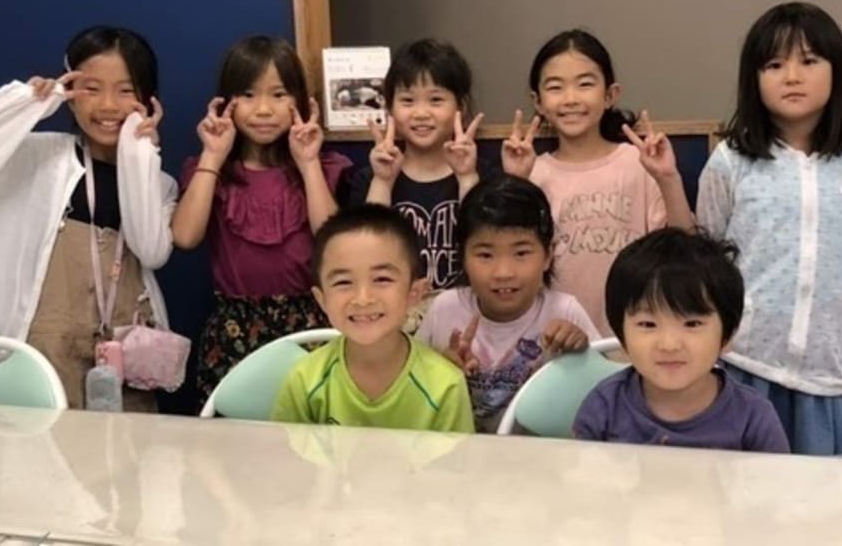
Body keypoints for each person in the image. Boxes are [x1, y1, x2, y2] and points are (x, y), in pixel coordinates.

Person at [696, 2, 842, 457]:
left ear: (837, 71)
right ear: (754, 79)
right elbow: (710, 258)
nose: (792, 76)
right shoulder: (731, 162)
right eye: (774, 65)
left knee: (830, 495)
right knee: (743, 488)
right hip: (746, 364)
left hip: (831, 375)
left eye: (809, 61)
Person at [0, 26, 175, 410]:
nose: (108, 105)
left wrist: (141, 154)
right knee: (43, 445)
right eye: (91, 88)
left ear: (147, 99)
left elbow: (151, 251)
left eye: (126, 90)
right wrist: (25, 104)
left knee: (129, 446)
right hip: (45, 353)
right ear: (71, 93)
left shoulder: (159, 181)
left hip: (125, 355)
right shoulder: (35, 160)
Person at [172, 35, 350, 409]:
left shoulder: (322, 168)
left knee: (312, 429)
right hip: (234, 327)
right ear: (227, 102)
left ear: (300, 101)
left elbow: (335, 244)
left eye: (279, 94)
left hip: (309, 324)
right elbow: (185, 236)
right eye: (249, 95)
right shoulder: (213, 172)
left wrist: (308, 163)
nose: (264, 109)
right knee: (238, 435)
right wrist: (212, 155)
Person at [502, 29, 693, 335]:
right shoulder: (532, 173)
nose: (571, 99)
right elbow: (508, 259)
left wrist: (667, 178)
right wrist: (516, 182)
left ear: (610, 95)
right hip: (554, 341)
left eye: (585, 84)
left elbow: (686, 248)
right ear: (538, 102)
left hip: (632, 339)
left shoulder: (639, 164)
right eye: (555, 87)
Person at [573, 229, 789, 453]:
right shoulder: (604, 406)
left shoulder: (753, 417)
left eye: (692, 324)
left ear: (726, 336)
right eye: (648, 324)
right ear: (622, 335)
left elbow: (777, 477)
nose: (669, 345)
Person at [416, 175, 599, 432]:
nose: (503, 272)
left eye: (521, 253)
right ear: (463, 257)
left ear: (548, 255)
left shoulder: (565, 312)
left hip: (542, 452)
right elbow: (411, 382)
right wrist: (440, 368)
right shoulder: (444, 309)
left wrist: (581, 354)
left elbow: (608, 394)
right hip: (460, 449)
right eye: (485, 254)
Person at [271, 204, 475, 432]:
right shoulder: (304, 380)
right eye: (343, 282)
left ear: (414, 293)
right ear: (322, 299)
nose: (363, 299)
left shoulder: (446, 385)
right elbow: (285, 453)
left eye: (381, 279)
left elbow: (455, 456)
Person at [345, 38, 486, 292]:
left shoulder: (482, 175)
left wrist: (466, 176)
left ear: (461, 107)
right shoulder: (369, 179)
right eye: (408, 101)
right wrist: (383, 182)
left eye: (436, 100)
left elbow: (487, 243)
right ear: (390, 108)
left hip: (465, 307)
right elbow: (364, 253)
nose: (421, 113)